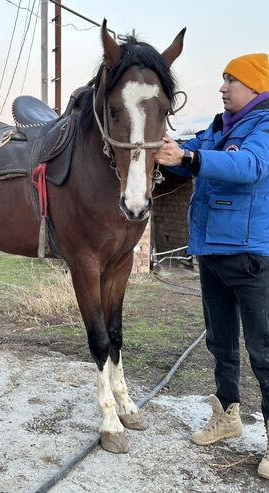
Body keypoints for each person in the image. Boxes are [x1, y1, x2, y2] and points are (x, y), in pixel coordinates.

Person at [155, 53, 269, 479]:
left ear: (256, 89)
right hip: (212, 250)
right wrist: (173, 151)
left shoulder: (264, 127)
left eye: (231, 81)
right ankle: (228, 417)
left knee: (263, 349)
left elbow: (250, 166)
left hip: (250, 253)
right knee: (220, 341)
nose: (222, 88)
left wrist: (190, 160)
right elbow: (193, 152)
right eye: (222, 80)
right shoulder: (221, 127)